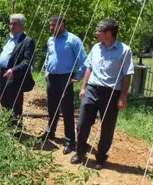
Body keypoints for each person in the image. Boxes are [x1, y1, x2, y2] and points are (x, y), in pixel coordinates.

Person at [70, 19, 134, 170]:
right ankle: (80, 153)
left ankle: (101, 157)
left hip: (111, 93)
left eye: (99, 31)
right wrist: (83, 88)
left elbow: (127, 75)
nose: (96, 33)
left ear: (109, 33)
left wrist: (123, 97)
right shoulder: (96, 48)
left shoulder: (124, 50)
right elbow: (89, 68)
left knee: (107, 127)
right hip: (92, 89)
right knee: (82, 123)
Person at [41, 15, 87, 155]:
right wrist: (47, 71)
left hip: (66, 78)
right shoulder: (50, 40)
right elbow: (49, 56)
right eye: (50, 25)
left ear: (62, 24)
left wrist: (78, 76)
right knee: (52, 107)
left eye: (53, 25)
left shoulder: (73, 40)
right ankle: (51, 132)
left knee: (67, 109)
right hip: (52, 78)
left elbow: (84, 60)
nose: (51, 28)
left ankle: (69, 141)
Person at [0, 14, 35, 126]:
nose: (11, 26)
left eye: (15, 24)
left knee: (15, 104)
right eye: (11, 23)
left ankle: (15, 131)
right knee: (3, 101)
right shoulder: (8, 39)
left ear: (22, 26)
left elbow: (27, 61)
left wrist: (13, 70)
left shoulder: (27, 41)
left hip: (15, 76)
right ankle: (6, 126)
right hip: (2, 74)